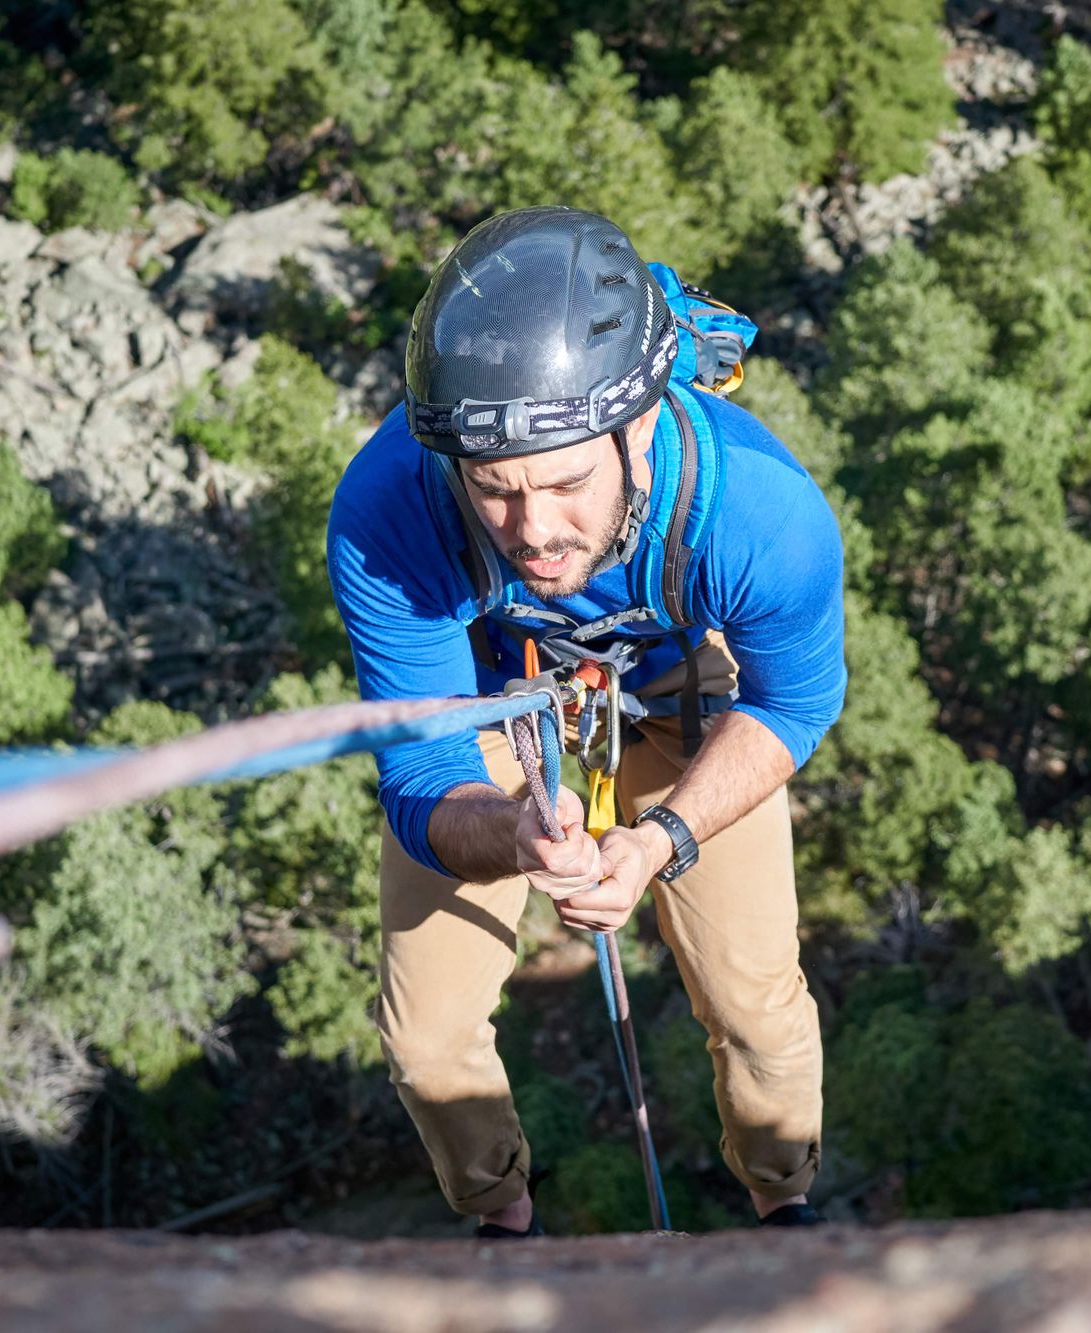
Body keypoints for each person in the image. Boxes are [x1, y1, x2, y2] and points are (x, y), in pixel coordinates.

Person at [325, 205, 846, 1237]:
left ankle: (782, 1209)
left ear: (639, 424)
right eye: (495, 490)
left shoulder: (759, 513)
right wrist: (513, 832)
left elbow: (791, 702)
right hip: (490, 710)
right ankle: (500, 1224)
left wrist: (658, 841)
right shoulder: (389, 515)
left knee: (755, 1010)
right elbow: (423, 780)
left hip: (684, 704)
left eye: (565, 481)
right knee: (426, 1038)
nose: (533, 531)